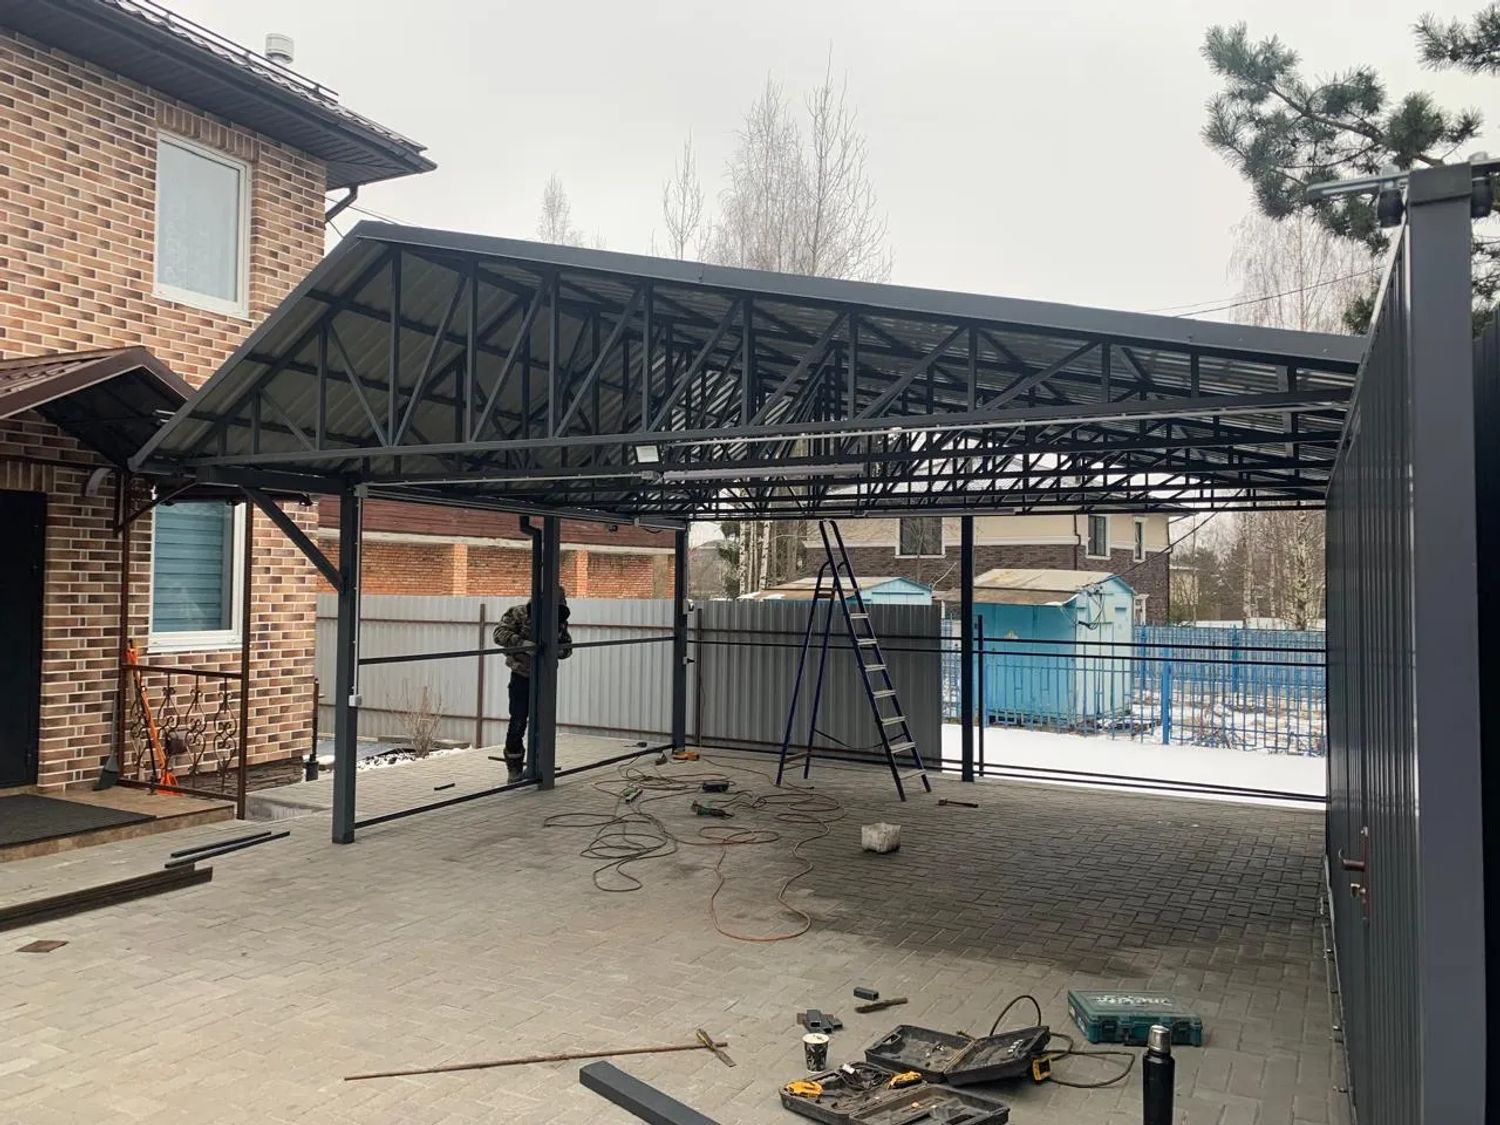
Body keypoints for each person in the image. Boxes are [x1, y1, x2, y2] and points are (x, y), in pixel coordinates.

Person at [492, 590, 573, 781]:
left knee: (543, 723)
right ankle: (514, 767)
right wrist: (523, 644)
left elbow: (567, 647)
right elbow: (498, 634)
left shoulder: (558, 618)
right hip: (521, 676)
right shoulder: (518, 613)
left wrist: (556, 651)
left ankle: (540, 765)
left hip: (545, 678)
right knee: (518, 722)